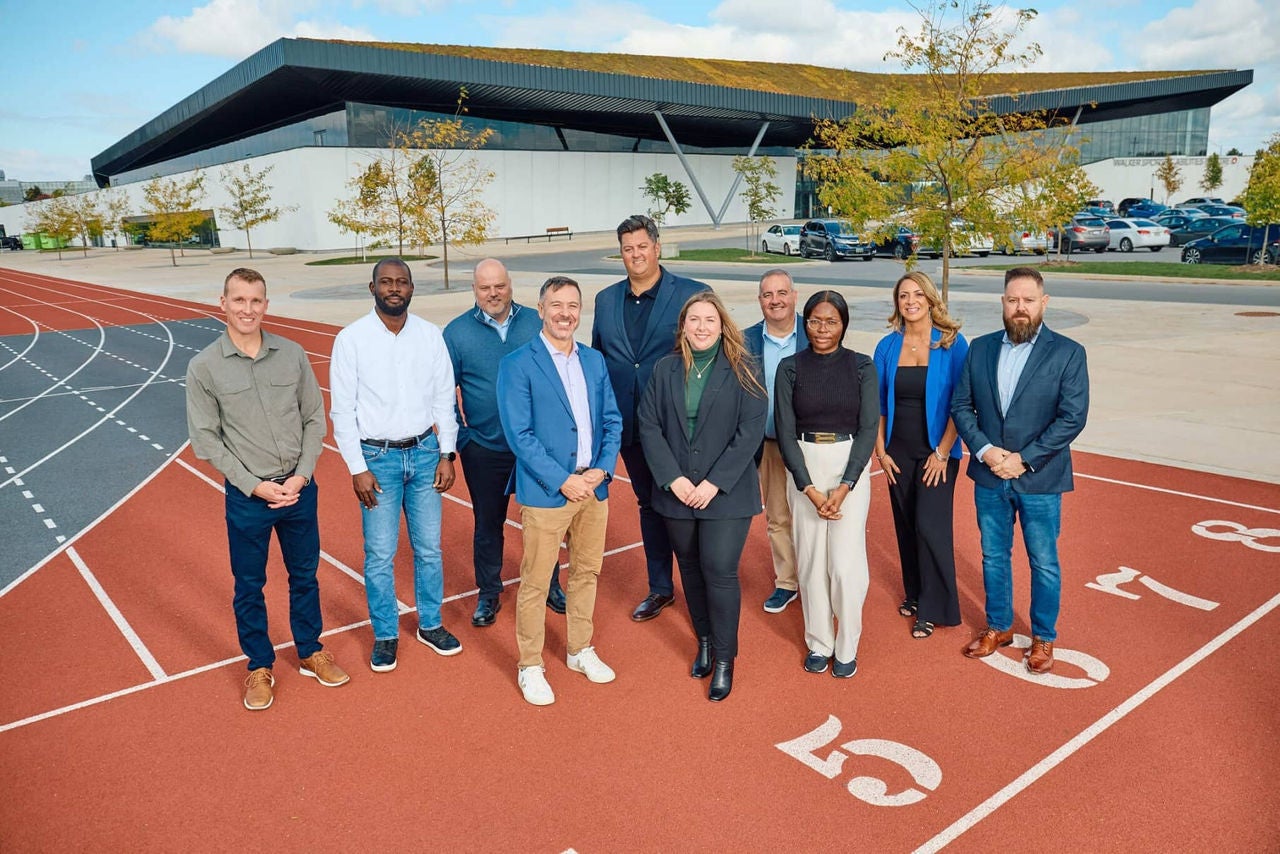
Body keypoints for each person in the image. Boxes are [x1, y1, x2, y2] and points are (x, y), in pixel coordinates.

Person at [186, 268, 349, 710]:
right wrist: (254, 486)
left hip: (299, 490)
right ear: (223, 304)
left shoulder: (292, 355)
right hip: (248, 498)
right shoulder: (203, 367)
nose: (247, 309)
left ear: (266, 305)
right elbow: (205, 439)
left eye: (255, 300)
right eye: (239, 300)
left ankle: (311, 650)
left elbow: (315, 418)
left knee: (305, 577)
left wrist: (302, 474)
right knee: (249, 585)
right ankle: (259, 666)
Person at [951, 266, 1089, 675]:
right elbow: (962, 406)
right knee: (994, 556)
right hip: (990, 475)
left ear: (1043, 303)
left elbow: (1072, 417)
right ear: (1003, 303)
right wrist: (988, 451)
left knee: (1043, 560)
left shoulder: (1068, 353)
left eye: (1029, 300)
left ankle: (1043, 637)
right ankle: (999, 627)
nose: (1020, 308)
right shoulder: (980, 348)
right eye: (1013, 300)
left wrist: (1023, 459)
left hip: (1040, 479)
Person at [330, 258, 461, 674]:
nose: (394, 288)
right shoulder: (351, 340)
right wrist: (356, 466)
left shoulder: (429, 336)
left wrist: (447, 452)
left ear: (411, 288)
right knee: (380, 554)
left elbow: (445, 397)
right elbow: (342, 411)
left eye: (401, 282)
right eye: (385, 281)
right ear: (372, 289)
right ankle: (385, 634)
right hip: (377, 460)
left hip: (425, 454)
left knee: (428, 550)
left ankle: (430, 623)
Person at [498, 276, 623, 706]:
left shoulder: (594, 361)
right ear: (540, 309)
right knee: (535, 583)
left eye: (573, 305)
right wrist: (563, 479)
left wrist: (602, 471)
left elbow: (612, 420)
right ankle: (530, 665)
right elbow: (520, 435)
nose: (565, 313)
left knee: (587, 573)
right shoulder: (518, 363)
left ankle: (578, 650)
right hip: (549, 491)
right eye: (557, 305)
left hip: (592, 488)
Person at [638, 292, 767, 702]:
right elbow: (649, 425)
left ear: (722, 324)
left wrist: (713, 483)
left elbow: (750, 432)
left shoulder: (744, 368)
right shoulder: (665, 368)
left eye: (709, 319)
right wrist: (673, 479)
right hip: (678, 491)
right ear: (683, 327)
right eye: (694, 320)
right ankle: (706, 642)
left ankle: (726, 660)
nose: (701, 327)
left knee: (719, 569)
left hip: (724, 492)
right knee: (690, 568)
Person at [592, 214, 710, 622]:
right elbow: (597, 363)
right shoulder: (605, 300)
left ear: (657, 248)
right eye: (628, 248)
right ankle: (661, 587)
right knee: (650, 505)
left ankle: (706, 582)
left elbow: (713, 358)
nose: (635, 254)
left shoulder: (693, 295)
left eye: (642, 246)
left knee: (690, 503)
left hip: (682, 425)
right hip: (628, 425)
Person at [443, 259, 565, 627]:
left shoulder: (535, 324)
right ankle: (489, 592)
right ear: (475, 290)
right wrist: (463, 437)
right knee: (488, 522)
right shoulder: (456, 333)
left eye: (499, 286)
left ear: (510, 285)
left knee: (544, 521)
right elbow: (443, 391)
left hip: (536, 448)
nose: (493, 293)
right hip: (485, 448)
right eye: (485, 288)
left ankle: (549, 584)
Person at [775, 291, 880, 679]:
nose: (822, 329)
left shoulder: (861, 367)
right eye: (815, 321)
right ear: (805, 323)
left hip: (848, 468)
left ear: (843, 325)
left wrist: (845, 484)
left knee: (845, 565)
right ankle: (819, 642)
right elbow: (785, 433)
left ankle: (847, 645)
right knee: (811, 563)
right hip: (805, 468)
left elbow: (869, 428)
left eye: (831, 321)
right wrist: (809, 488)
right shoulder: (789, 368)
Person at [872, 271, 969, 640]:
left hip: (937, 453)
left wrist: (943, 452)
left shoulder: (952, 344)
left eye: (917, 295)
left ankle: (934, 607)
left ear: (930, 299)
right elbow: (879, 403)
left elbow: (962, 404)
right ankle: (914, 593)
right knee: (907, 526)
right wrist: (880, 450)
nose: (910, 301)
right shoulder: (887, 346)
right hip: (897, 451)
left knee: (931, 527)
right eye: (903, 296)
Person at [743, 269, 808, 614]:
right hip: (766, 443)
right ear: (760, 301)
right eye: (768, 295)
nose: (775, 300)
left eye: (782, 293)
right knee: (778, 517)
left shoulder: (814, 334)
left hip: (808, 444)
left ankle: (815, 579)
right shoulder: (745, 340)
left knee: (813, 514)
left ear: (794, 296)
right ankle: (787, 582)